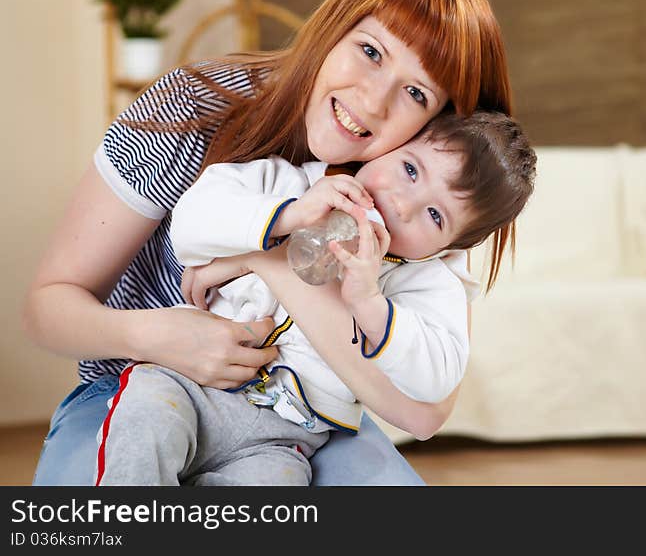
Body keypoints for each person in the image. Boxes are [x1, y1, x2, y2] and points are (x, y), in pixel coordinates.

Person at [24, 0, 516, 486]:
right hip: (139, 378)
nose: (373, 103)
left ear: (437, 125)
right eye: (370, 51)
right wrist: (156, 336)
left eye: (416, 93)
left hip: (298, 420)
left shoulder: (419, 198)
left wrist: (270, 263)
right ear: (333, 25)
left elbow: (424, 414)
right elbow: (47, 307)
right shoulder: (191, 109)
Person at [95, 111, 536, 485]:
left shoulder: (425, 284)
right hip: (188, 384)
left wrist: (370, 304)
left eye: (435, 216)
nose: (402, 205)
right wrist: (289, 215)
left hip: (284, 436)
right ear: (392, 146)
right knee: (146, 426)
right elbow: (191, 218)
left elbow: (436, 376)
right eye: (410, 169)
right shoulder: (288, 180)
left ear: (448, 248)